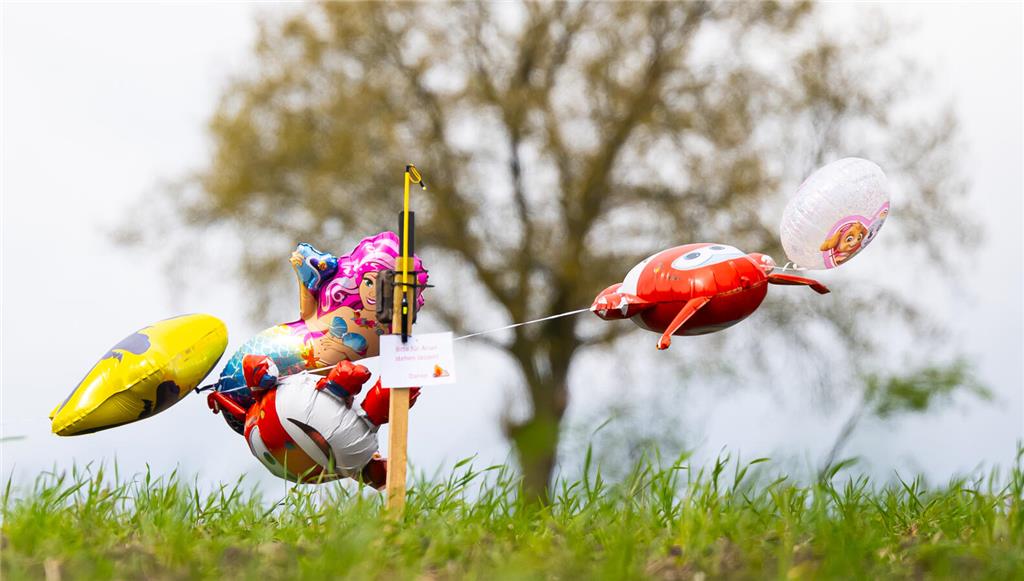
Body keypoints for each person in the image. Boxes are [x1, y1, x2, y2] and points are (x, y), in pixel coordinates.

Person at [207, 354, 420, 487]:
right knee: (363, 414)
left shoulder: (254, 414)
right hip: (304, 420)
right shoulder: (260, 408)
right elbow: (253, 365)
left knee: (365, 417)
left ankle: (348, 387)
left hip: (340, 454)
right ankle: (350, 386)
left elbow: (253, 367)